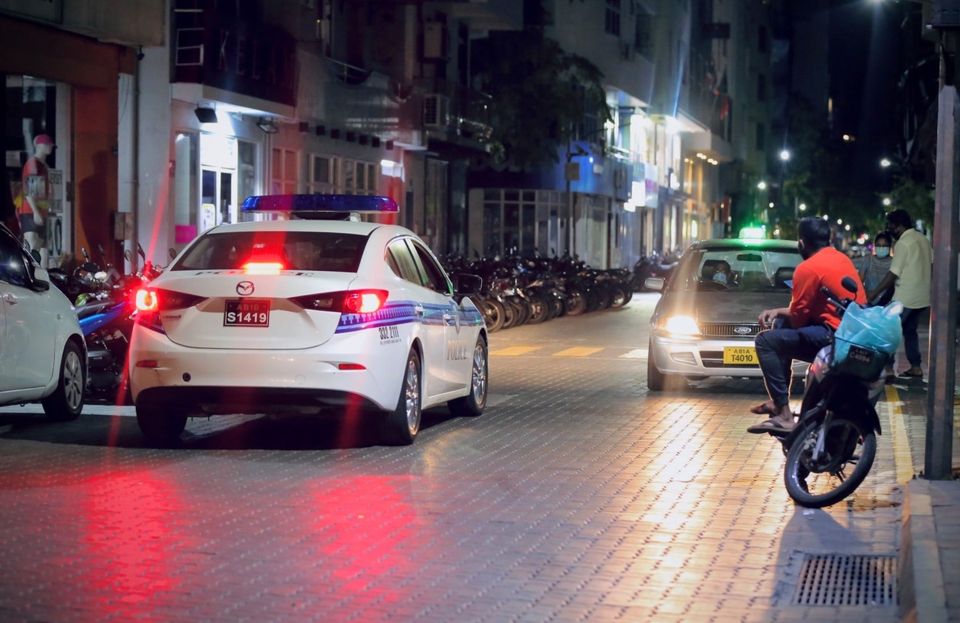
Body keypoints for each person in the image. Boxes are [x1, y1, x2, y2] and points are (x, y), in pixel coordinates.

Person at [747, 217, 866, 434]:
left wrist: (777, 311)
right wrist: (781, 313)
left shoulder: (808, 268)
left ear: (801, 243)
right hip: (853, 335)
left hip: (833, 337)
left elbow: (799, 318)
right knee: (782, 322)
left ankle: (783, 413)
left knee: (765, 342)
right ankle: (779, 402)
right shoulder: (842, 259)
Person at [867, 209, 932, 380]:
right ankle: (916, 366)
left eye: (891, 226)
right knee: (910, 331)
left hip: (905, 297)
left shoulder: (903, 244)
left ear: (900, 226)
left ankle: (887, 370)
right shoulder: (923, 239)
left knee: (888, 331)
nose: (890, 230)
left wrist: (874, 293)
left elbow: (892, 274)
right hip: (923, 296)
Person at [18, 133, 55, 266]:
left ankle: (45, 276)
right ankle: (28, 271)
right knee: (32, 243)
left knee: (44, 246)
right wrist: (35, 212)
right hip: (30, 211)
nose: (50, 148)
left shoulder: (43, 166)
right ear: (41, 146)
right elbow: (29, 189)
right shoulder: (33, 164)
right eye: (48, 145)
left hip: (41, 211)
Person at [857, 232, 894, 306]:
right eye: (878, 245)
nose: (881, 247)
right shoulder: (868, 260)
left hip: (888, 303)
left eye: (884, 246)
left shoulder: (894, 262)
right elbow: (859, 281)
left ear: (889, 247)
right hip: (868, 302)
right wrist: (866, 294)